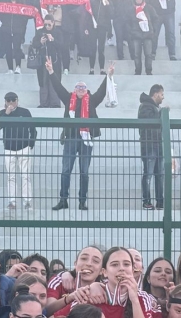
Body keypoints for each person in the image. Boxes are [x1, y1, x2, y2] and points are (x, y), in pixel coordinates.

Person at [48, 59, 113, 211]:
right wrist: (51, 71)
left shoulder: (92, 100)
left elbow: (102, 92)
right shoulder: (68, 98)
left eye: (83, 88)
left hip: (86, 139)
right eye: (78, 87)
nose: (81, 90)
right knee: (66, 170)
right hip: (71, 138)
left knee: (84, 172)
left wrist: (108, 76)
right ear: (74, 89)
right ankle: (63, 200)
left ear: (86, 90)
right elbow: (58, 88)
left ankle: (82, 201)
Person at [0, 92, 36, 212]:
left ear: (17, 100)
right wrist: (7, 114)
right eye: (8, 100)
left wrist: (30, 144)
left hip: (24, 147)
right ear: (5, 102)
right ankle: (12, 202)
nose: (11, 102)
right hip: (9, 148)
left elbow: (33, 128)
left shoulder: (25, 112)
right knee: (10, 177)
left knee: (25, 176)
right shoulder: (2, 113)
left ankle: (27, 202)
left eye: (13, 100)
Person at [138, 84, 166, 211]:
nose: (163, 97)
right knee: (148, 173)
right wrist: (162, 113)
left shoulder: (153, 107)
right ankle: (147, 201)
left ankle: (160, 202)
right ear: (155, 94)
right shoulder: (145, 106)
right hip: (149, 144)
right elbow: (150, 121)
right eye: (162, 94)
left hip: (157, 143)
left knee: (159, 174)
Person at [33, 16, 64, 108]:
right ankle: (44, 103)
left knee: (54, 81)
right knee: (43, 82)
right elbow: (34, 45)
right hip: (42, 61)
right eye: (45, 24)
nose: (47, 26)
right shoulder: (39, 32)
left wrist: (53, 40)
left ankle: (55, 103)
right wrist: (40, 42)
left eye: (49, 24)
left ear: (53, 22)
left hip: (55, 61)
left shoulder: (58, 32)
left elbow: (62, 46)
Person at [128, 0, 160, 75]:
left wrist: (153, 30)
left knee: (148, 54)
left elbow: (156, 19)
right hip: (136, 35)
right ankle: (138, 71)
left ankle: (148, 71)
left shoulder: (149, 8)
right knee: (136, 55)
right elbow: (127, 22)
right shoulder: (131, 9)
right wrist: (131, 31)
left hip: (147, 35)